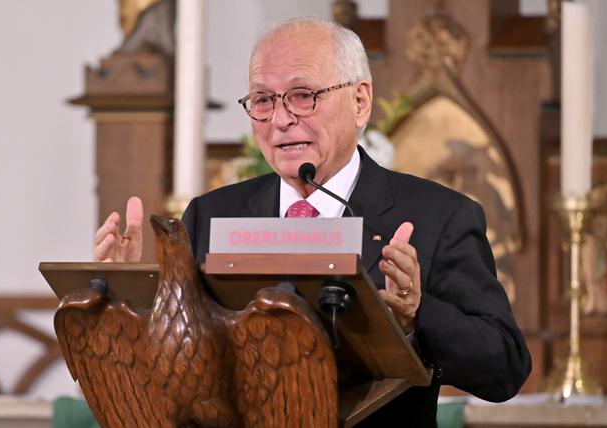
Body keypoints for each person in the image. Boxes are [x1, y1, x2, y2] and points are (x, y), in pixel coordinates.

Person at [94, 17, 530, 427]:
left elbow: (505, 368)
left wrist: (418, 315)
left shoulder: (439, 216)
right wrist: (131, 303)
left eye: (303, 95)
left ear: (360, 102)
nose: (281, 120)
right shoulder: (212, 215)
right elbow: (176, 374)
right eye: (263, 100)